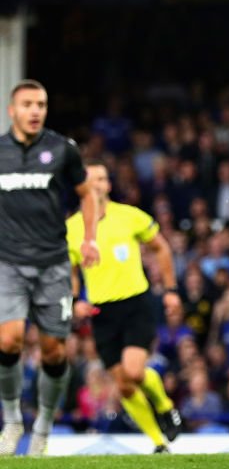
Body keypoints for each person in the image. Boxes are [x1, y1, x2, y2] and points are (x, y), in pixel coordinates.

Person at [0, 80, 99, 456]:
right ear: (13, 110)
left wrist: (89, 238)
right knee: (7, 339)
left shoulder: (62, 149)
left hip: (53, 264)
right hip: (7, 263)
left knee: (54, 352)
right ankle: (11, 421)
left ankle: (42, 428)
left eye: (41, 104)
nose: (35, 111)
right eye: (27, 104)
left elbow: (86, 193)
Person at [67, 160, 183, 454]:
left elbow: (162, 247)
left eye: (102, 179)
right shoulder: (71, 228)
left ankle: (165, 404)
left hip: (135, 304)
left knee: (133, 371)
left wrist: (170, 290)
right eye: (90, 180)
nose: (97, 184)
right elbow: (68, 269)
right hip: (101, 312)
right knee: (124, 385)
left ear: (108, 185)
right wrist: (74, 299)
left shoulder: (129, 216)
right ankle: (158, 442)